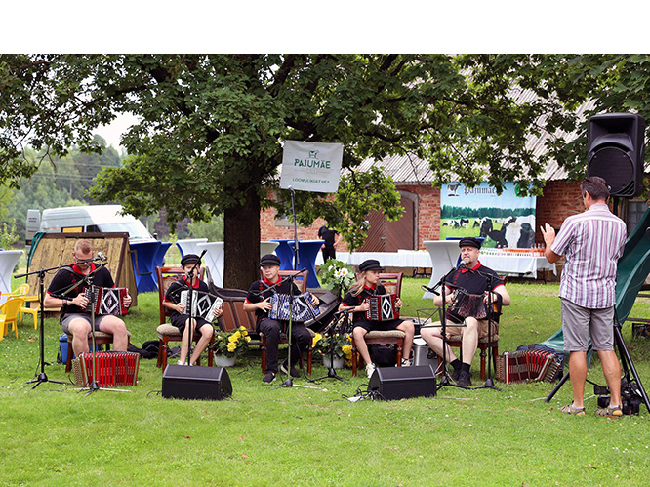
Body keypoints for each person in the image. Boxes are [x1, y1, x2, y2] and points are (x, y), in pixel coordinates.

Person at [541, 176, 627, 417]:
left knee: (578, 349)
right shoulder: (620, 225)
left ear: (587, 196)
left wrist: (550, 241)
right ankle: (616, 404)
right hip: (605, 294)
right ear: (607, 197)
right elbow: (618, 255)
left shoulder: (574, 222)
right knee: (606, 348)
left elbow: (552, 256)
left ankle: (578, 405)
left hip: (576, 293)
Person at [421, 237, 510, 387]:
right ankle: (457, 365)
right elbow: (436, 300)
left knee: (470, 320)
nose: (465, 253)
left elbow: (506, 299)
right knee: (426, 331)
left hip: (483, 323)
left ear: (477, 253)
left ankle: (464, 372)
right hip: (455, 322)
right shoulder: (455, 274)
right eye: (463, 250)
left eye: (469, 250)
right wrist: (447, 298)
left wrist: (494, 297)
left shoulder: (488, 274)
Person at [44, 239, 132, 358]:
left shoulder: (101, 271)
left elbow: (113, 294)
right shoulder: (64, 274)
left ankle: (117, 367)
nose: (85, 264)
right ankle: (86, 368)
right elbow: (47, 301)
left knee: (120, 326)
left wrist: (126, 300)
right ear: (74, 256)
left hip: (99, 316)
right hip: (73, 316)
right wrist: (72, 301)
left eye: (89, 260)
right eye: (81, 261)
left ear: (93, 254)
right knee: (81, 328)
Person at [243, 254, 320, 383]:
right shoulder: (257, 286)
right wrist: (259, 305)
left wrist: (313, 299)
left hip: (289, 320)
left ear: (278, 268)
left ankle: (288, 364)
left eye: (270, 267)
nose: (267, 270)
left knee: (304, 336)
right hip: (266, 319)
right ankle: (271, 371)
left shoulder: (288, 284)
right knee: (273, 328)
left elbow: (301, 300)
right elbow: (245, 306)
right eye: (264, 267)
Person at [340, 259, 415, 380]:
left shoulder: (380, 289)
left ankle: (404, 361)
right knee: (357, 332)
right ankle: (370, 365)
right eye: (374, 272)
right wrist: (359, 308)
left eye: (378, 272)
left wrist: (396, 304)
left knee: (409, 326)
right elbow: (341, 308)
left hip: (382, 322)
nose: (378, 275)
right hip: (364, 322)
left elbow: (387, 306)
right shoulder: (355, 291)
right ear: (364, 274)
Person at [163, 253, 222, 366]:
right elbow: (165, 302)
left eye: (194, 268)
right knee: (191, 322)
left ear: (198, 269)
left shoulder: (203, 286)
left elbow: (208, 304)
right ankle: (182, 361)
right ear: (183, 269)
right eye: (188, 267)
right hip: (180, 316)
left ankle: (190, 362)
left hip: (198, 317)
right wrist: (176, 306)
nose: (191, 270)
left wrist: (218, 312)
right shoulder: (177, 285)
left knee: (209, 330)